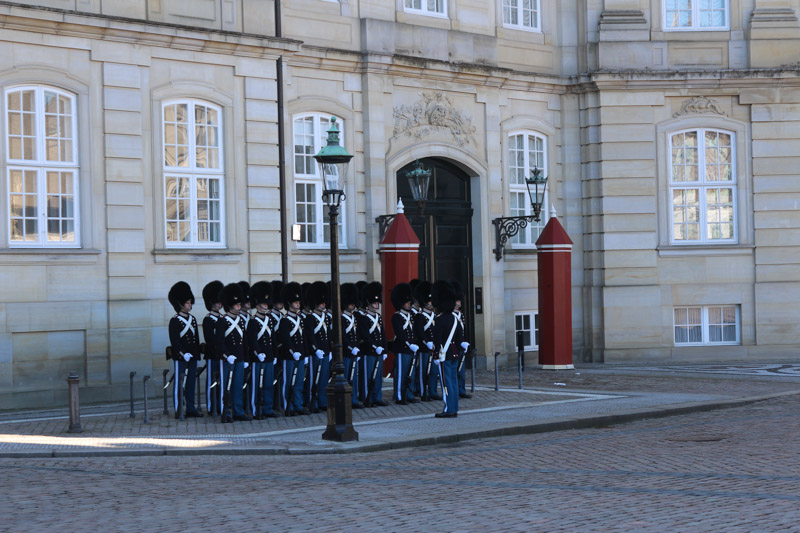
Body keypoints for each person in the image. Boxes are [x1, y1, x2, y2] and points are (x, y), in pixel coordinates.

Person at [215, 283, 250, 422]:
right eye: (235, 304)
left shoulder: (240, 320)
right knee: (226, 387)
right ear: (229, 305)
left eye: (238, 303)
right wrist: (226, 355)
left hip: (239, 358)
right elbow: (219, 342)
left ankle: (238, 411)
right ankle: (226, 412)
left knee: (237, 386)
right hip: (228, 359)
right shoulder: (222, 321)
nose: (238, 306)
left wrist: (246, 358)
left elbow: (244, 341)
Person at [168, 281, 203, 418]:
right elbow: (175, 341)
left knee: (190, 384)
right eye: (187, 302)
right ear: (180, 304)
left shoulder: (193, 319)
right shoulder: (175, 320)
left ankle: (190, 408)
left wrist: (197, 356)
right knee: (179, 384)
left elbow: (196, 340)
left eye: (190, 302)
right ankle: (178, 409)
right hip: (181, 357)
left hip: (192, 356)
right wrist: (183, 354)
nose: (190, 304)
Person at [432, 280, 463, 418]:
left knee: (446, 384)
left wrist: (435, 355)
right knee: (454, 382)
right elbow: (458, 338)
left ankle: (448, 409)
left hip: (443, 355)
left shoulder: (439, 320)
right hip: (454, 353)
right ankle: (454, 407)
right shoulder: (455, 319)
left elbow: (437, 340)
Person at [247, 281, 277, 419]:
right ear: (257, 305)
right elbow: (252, 341)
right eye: (263, 304)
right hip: (258, 358)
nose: (266, 306)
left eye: (267, 304)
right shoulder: (253, 321)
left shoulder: (270, 320)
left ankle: (268, 409)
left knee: (268, 385)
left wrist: (274, 354)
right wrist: (257, 354)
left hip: (269, 357)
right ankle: (255, 410)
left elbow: (273, 338)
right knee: (256, 386)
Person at [279, 282, 310, 416]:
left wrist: (305, 354)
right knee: (288, 382)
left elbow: (304, 338)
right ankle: (288, 406)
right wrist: (293, 351)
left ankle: (298, 405)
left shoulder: (300, 319)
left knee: (298, 383)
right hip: (290, 356)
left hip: (300, 355)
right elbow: (285, 339)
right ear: (289, 303)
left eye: (299, 301)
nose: (298, 304)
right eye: (295, 302)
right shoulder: (285, 320)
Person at [359, 281, 388, 407]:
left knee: (378, 376)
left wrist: (384, 349)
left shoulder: (378, 317)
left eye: (377, 303)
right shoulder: (364, 317)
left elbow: (382, 334)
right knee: (368, 376)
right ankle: (367, 397)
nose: (376, 305)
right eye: (374, 303)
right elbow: (365, 335)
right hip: (369, 350)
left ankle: (377, 397)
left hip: (379, 350)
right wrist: (374, 347)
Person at [304, 281, 331, 413]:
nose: (323, 304)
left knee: (323, 379)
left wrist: (329, 350)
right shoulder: (310, 318)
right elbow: (310, 335)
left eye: (324, 302)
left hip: (324, 351)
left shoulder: (326, 317)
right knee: (313, 379)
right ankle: (311, 402)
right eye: (321, 302)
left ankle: (322, 401)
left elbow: (328, 334)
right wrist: (315, 349)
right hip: (315, 353)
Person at [391, 282, 419, 405]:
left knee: (411, 372)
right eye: (407, 302)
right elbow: (400, 333)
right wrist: (409, 344)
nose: (409, 304)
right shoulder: (397, 316)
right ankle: (399, 396)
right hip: (402, 348)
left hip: (411, 348)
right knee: (401, 373)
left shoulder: (411, 315)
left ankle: (409, 393)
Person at [413, 280, 440, 401]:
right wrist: (426, 342)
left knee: (434, 372)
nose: (431, 303)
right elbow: (419, 333)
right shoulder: (420, 316)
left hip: (434, 348)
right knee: (424, 371)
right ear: (425, 302)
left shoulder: (435, 316)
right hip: (425, 348)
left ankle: (433, 391)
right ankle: (424, 392)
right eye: (429, 301)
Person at [201, 280, 224, 415]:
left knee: (221, 382)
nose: (219, 303)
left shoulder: (222, 318)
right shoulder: (208, 319)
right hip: (212, 354)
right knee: (211, 381)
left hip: (222, 355)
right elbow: (210, 339)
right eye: (217, 301)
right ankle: (211, 406)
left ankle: (220, 404)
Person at [340, 282, 363, 409]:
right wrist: (350, 348)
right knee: (346, 378)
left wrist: (357, 348)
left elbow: (357, 334)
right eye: (350, 302)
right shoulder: (341, 318)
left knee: (354, 378)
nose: (352, 304)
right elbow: (342, 337)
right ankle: (345, 400)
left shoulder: (354, 317)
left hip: (354, 352)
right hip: (346, 352)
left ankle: (353, 399)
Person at [452, 281, 472, 399]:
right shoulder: (450, 315)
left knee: (461, 370)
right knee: (454, 369)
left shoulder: (461, 315)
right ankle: (456, 389)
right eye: (457, 300)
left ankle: (461, 389)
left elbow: (464, 329)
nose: (459, 303)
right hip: (454, 345)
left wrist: (465, 342)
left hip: (461, 346)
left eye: (459, 301)